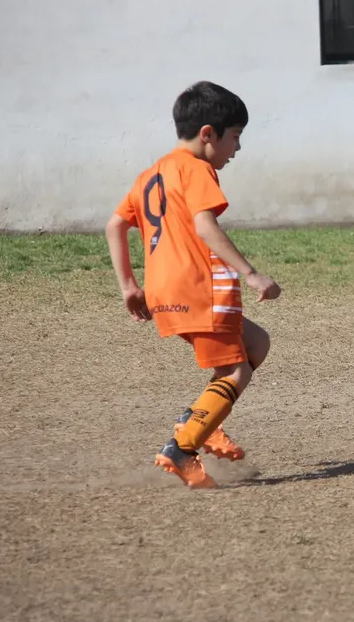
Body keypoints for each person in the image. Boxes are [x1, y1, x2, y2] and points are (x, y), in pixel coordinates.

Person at [105, 81, 281, 488]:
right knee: (237, 369)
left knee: (256, 344)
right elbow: (205, 224)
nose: (236, 148)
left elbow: (115, 224)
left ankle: (200, 420)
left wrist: (129, 286)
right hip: (198, 287)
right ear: (208, 134)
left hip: (162, 290)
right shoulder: (195, 168)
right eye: (235, 137)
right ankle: (181, 447)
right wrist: (250, 273)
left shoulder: (153, 172)